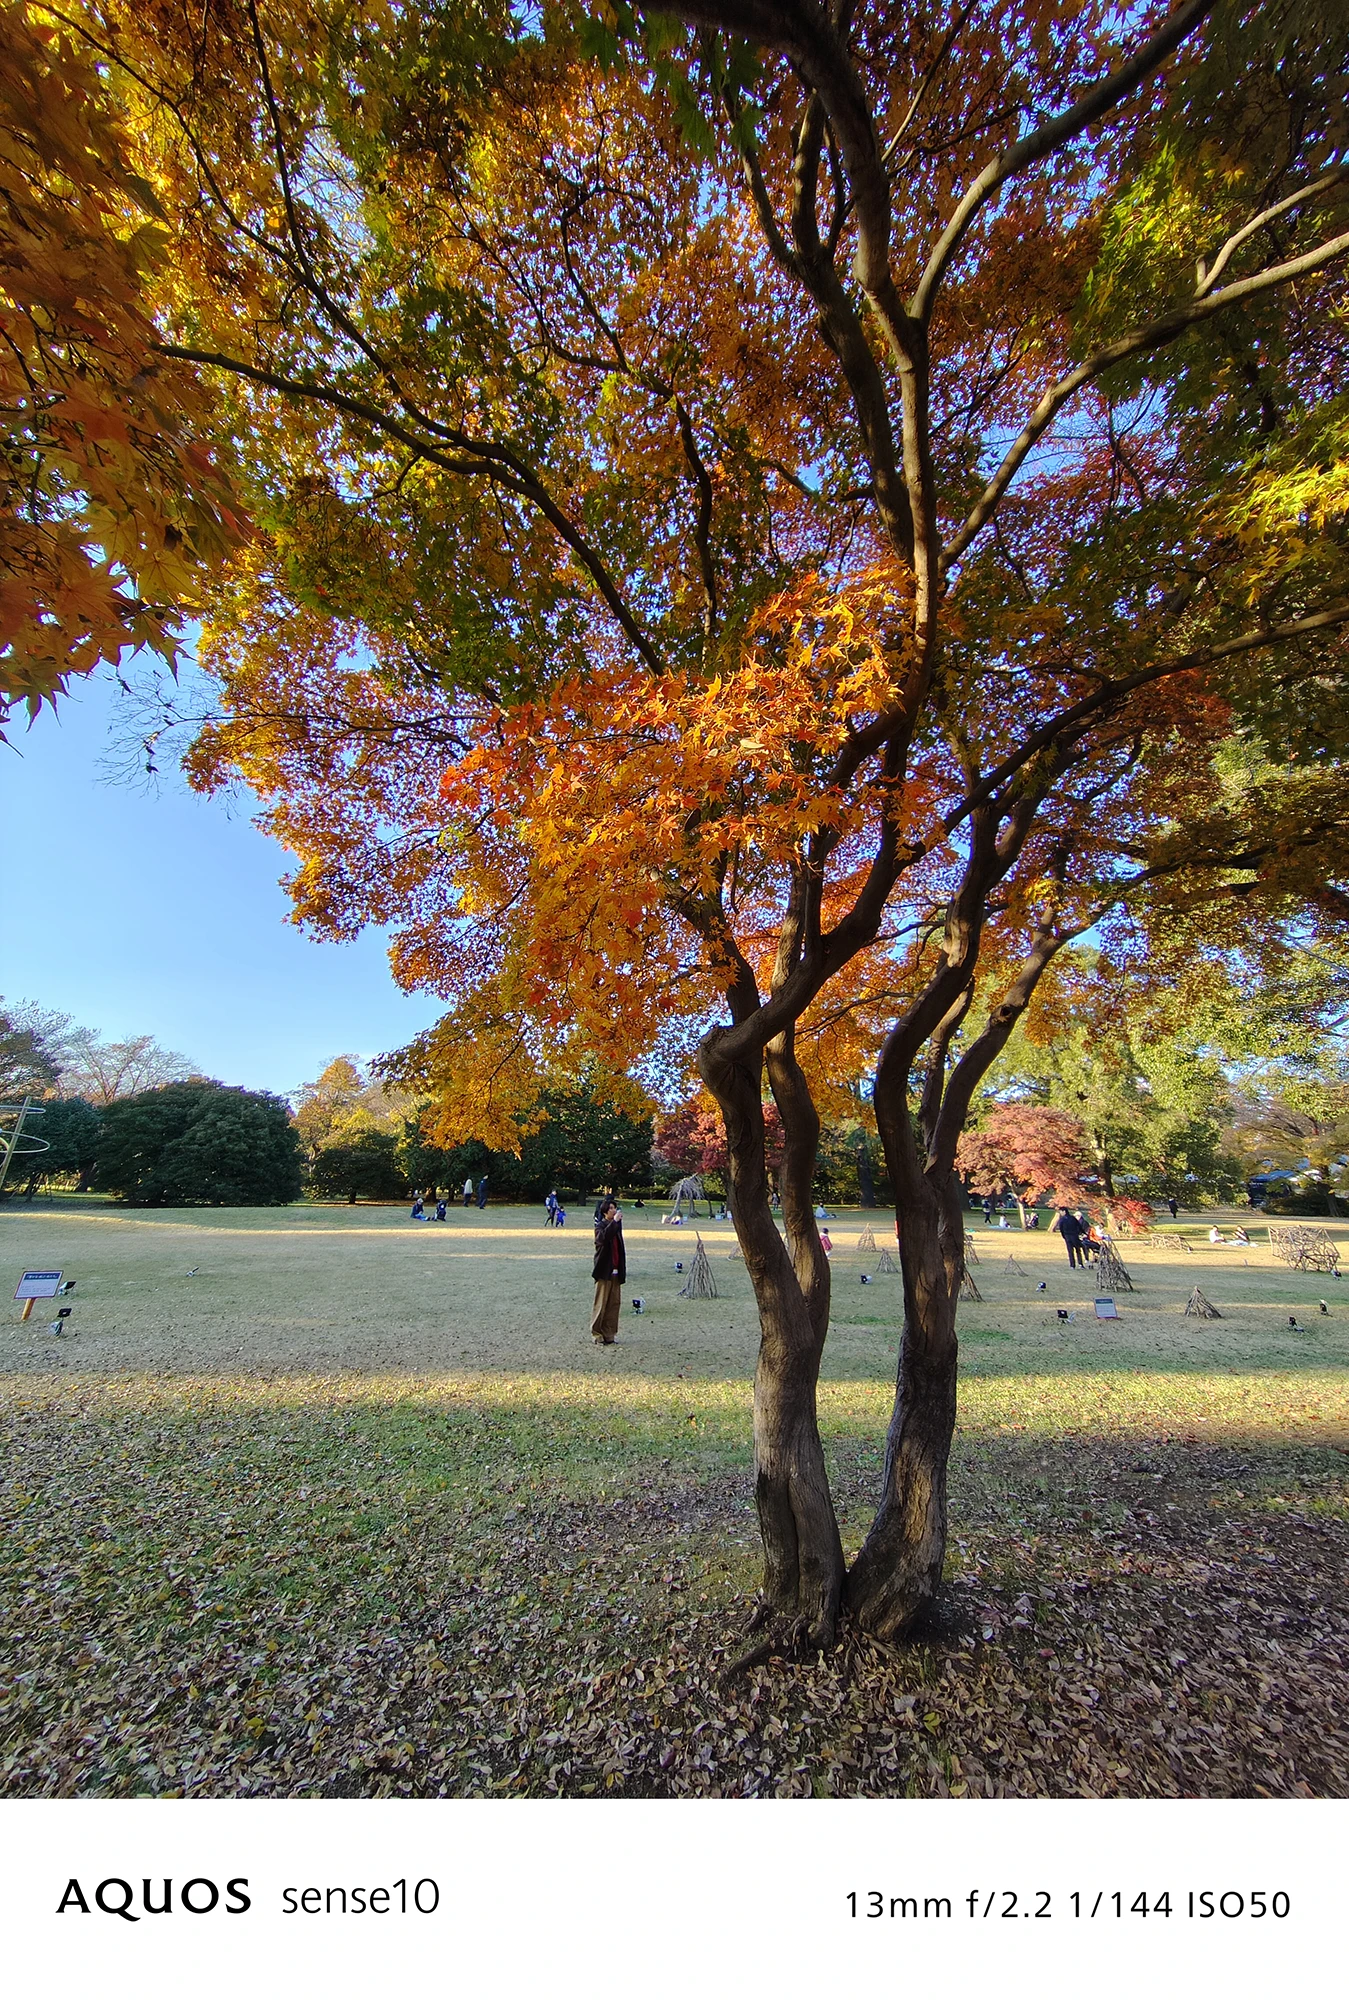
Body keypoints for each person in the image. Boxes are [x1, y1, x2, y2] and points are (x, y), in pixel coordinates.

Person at [591, 1197, 626, 1344]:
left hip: (616, 1272)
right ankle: (597, 1333)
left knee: (614, 1304)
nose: (614, 1210)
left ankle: (609, 1334)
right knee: (601, 1303)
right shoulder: (601, 1226)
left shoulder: (616, 1227)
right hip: (604, 1271)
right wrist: (615, 1222)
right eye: (611, 1208)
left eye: (614, 1208)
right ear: (605, 1212)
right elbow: (603, 1239)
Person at [1050, 1204, 1086, 1268]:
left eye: (1061, 1211)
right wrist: (1083, 1233)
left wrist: (1064, 1236)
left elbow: (1061, 1229)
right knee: (1078, 1250)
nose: (1060, 1213)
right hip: (1075, 1236)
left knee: (1070, 1251)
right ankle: (1080, 1264)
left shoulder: (1062, 1220)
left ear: (1064, 1211)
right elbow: (1079, 1226)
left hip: (1067, 1236)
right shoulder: (1073, 1218)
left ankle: (1072, 1265)